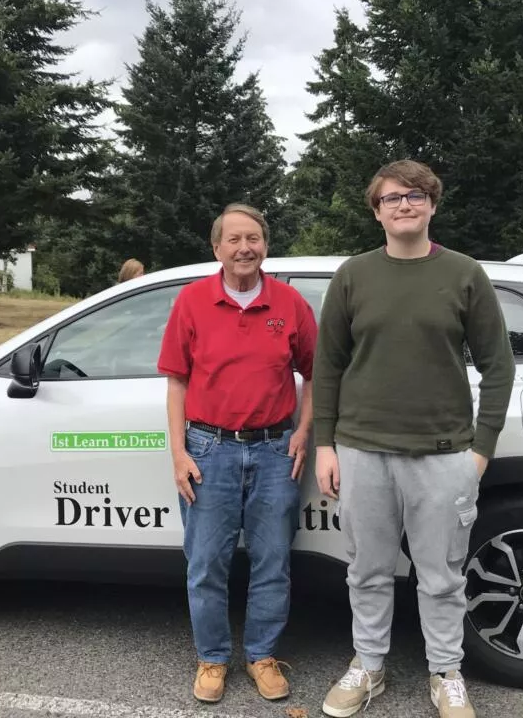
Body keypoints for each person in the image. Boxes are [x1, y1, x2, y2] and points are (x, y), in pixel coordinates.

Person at [313, 160, 516, 718]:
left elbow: (499, 366)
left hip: (444, 454)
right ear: (376, 210)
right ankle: (369, 666)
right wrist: (325, 445)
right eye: (393, 197)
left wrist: (481, 450)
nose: (405, 205)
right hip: (362, 450)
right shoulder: (354, 275)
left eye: (416, 195)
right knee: (367, 571)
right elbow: (327, 367)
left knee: (443, 576)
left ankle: (446, 672)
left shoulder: (465, 274)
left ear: (432, 204)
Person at [157, 202, 317, 704]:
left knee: (273, 561)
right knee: (206, 563)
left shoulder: (290, 304)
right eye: (234, 239)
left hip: (274, 451)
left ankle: (262, 656)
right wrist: (179, 452)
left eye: (253, 238)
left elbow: (316, 375)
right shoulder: (192, 301)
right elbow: (176, 381)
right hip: (209, 450)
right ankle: (211, 659)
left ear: (264, 245)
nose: (244, 248)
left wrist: (303, 431)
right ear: (217, 248)